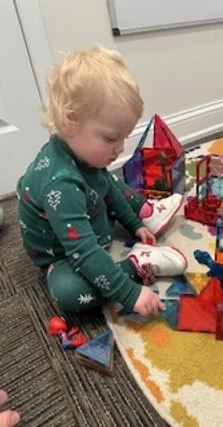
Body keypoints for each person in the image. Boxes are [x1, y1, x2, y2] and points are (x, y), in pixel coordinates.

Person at [17, 46, 187, 316]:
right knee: (69, 294)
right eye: (111, 138)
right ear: (69, 122)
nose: (120, 148)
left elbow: (107, 188)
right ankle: (138, 262)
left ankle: (147, 212)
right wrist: (130, 292)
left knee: (111, 181)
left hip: (91, 218)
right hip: (64, 254)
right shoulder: (61, 185)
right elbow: (83, 252)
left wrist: (134, 225)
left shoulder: (83, 153)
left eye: (124, 137)